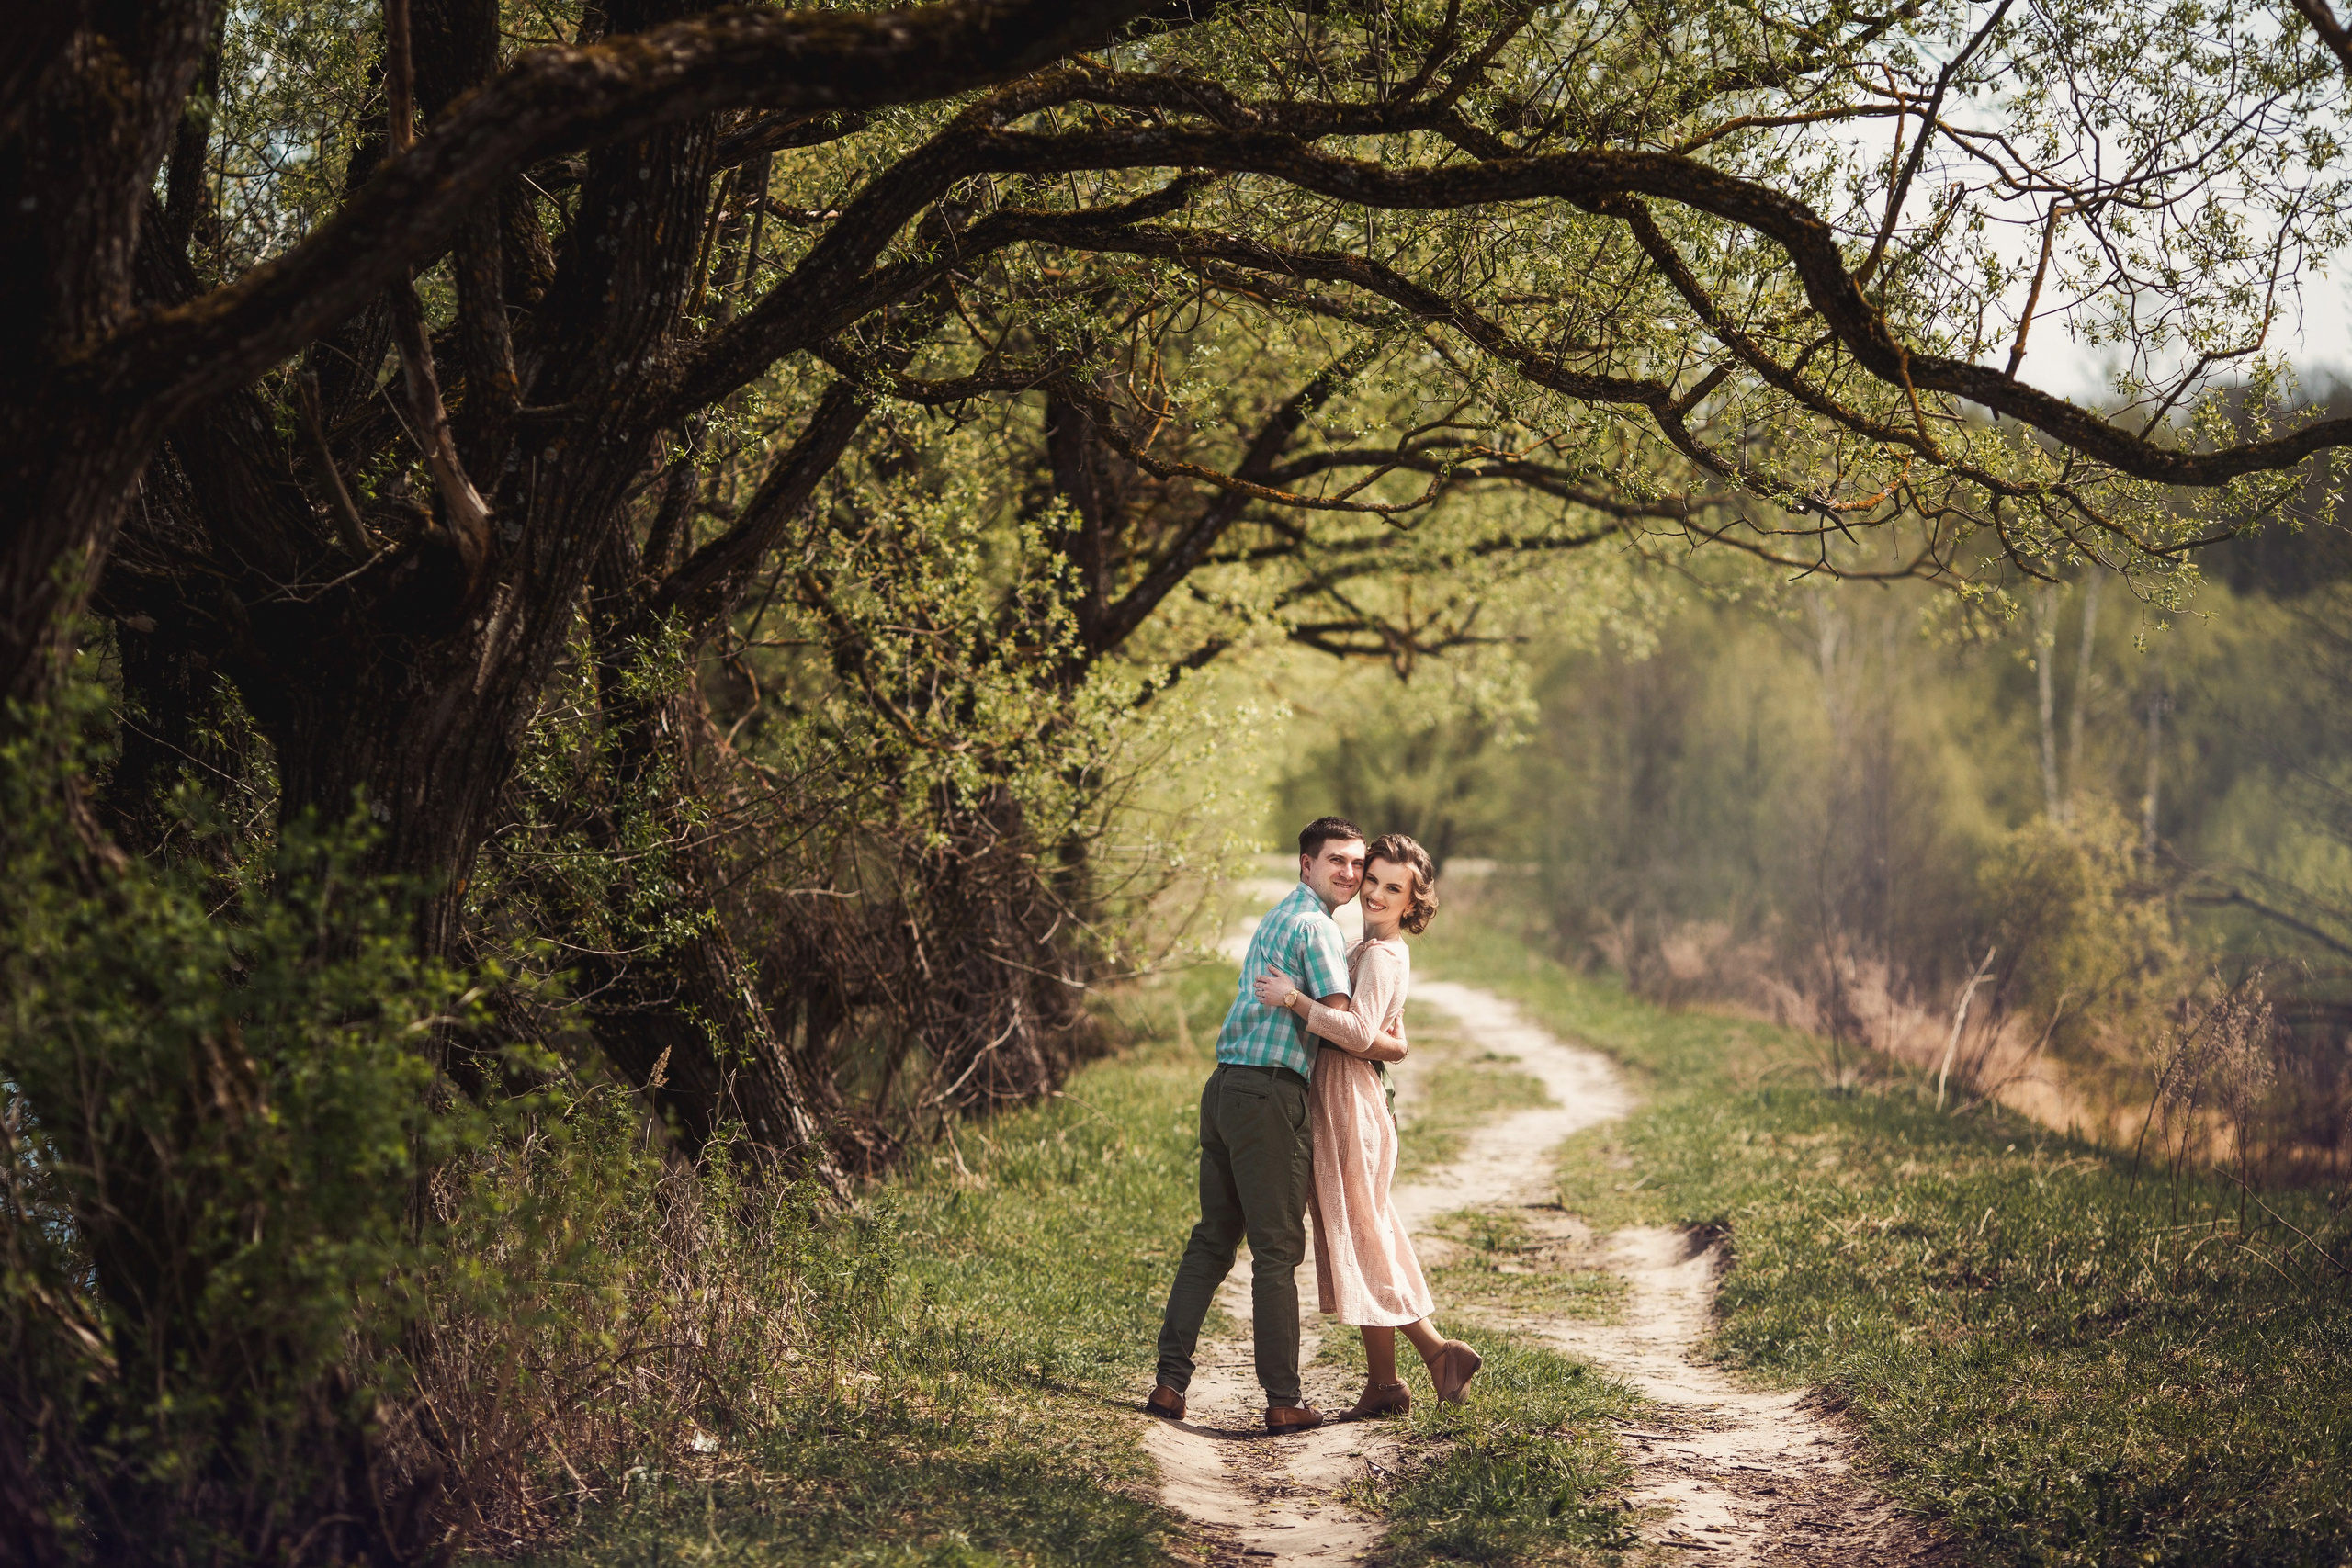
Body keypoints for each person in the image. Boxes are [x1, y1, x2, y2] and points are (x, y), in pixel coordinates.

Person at [1147, 816, 1365, 1435]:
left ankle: (1169, 1384)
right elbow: (1340, 1018)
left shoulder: (1277, 916)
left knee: (1214, 1237)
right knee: (1276, 1249)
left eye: (1355, 862)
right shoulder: (1316, 926)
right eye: (1336, 861)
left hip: (1223, 1088)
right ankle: (1283, 1398)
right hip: (1269, 1093)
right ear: (1306, 864)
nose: (1348, 872)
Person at [1251, 832, 1482, 1418]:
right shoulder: (1367, 947)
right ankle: (1384, 1384)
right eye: (1372, 879)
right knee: (1358, 1233)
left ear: (1413, 902)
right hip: (1342, 1098)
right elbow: (1387, 1034)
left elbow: (1355, 1035)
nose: (1374, 894)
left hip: (1349, 1104)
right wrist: (1395, 1044)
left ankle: (1437, 1352)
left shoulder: (1380, 955)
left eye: (1392, 888)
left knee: (1364, 1234)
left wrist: (1293, 1001)